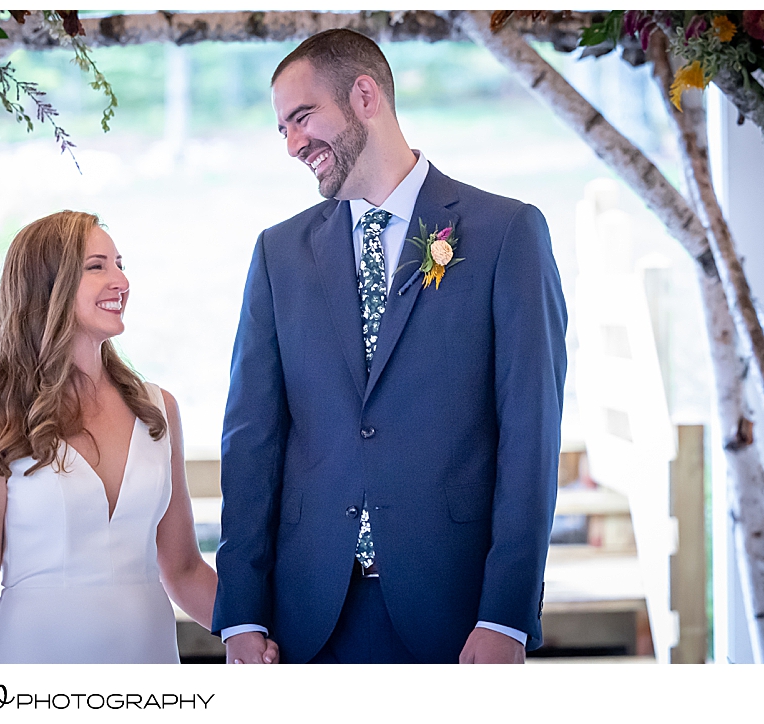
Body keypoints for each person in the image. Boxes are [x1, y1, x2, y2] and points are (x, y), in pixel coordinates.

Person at [212, 29, 567, 664]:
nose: (293, 145)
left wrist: (506, 617)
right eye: (282, 130)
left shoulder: (506, 233)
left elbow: (530, 435)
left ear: (365, 96)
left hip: (458, 618)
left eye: (303, 117)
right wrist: (240, 613)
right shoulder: (278, 253)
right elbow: (252, 440)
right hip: (307, 619)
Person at [0, 210, 279, 664]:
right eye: (97, 266)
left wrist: (249, 631)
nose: (120, 280)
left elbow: (181, 568)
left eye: (120, 264)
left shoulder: (159, 410)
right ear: (47, 285)